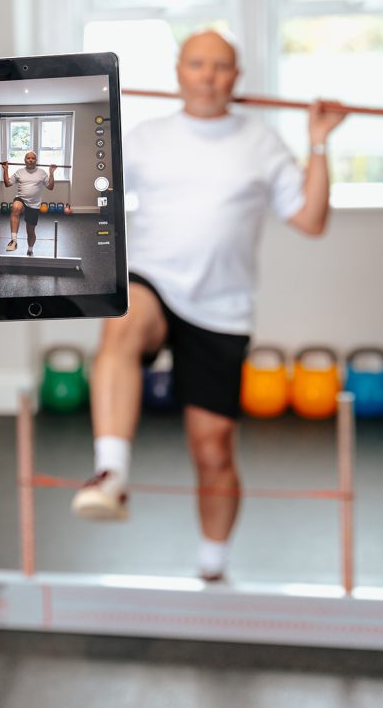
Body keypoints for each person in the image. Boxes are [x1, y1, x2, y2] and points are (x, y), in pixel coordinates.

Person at [71, 29, 345, 581]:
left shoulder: (261, 141)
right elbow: (81, 198)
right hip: (153, 280)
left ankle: (213, 564)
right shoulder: (145, 136)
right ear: (179, 72)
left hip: (221, 306)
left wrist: (318, 140)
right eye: (197, 64)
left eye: (221, 67)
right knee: (120, 329)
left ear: (236, 78)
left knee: (213, 448)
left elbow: (312, 220)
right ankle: (110, 474)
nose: (208, 76)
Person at [2, 151, 56, 256]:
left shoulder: (42, 172)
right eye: (28, 158)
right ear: (24, 160)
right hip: (21, 199)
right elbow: (7, 183)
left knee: (30, 231)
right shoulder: (19, 172)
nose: (30, 160)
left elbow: (50, 187)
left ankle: (30, 249)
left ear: (36, 160)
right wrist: (5, 170)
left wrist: (51, 173)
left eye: (33, 158)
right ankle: (14, 240)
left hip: (34, 204)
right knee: (15, 208)